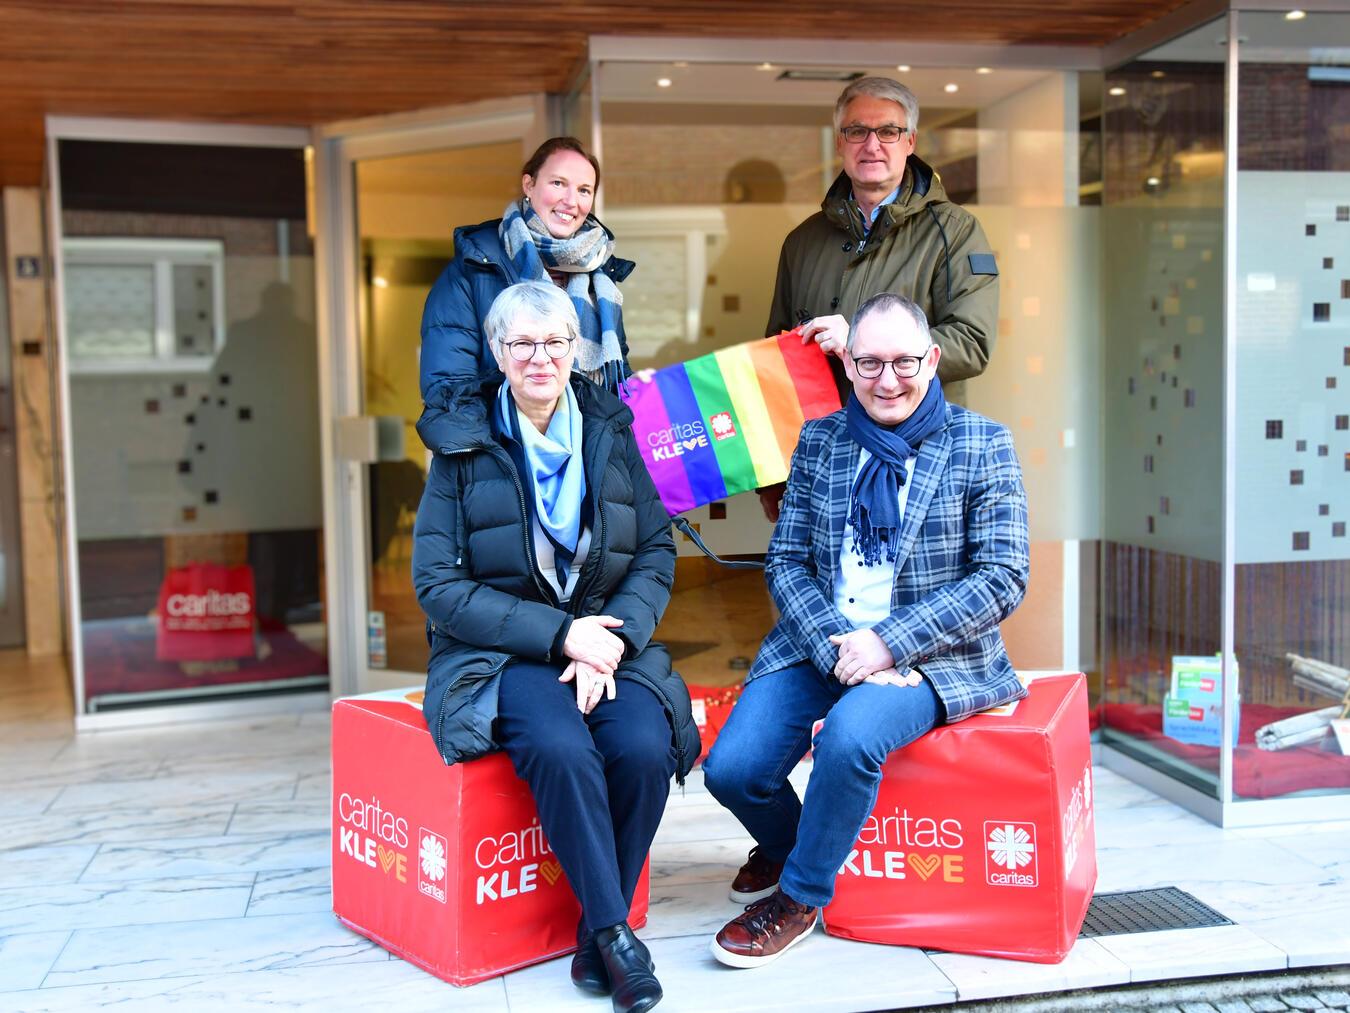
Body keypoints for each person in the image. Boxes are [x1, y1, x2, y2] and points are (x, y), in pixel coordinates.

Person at [702, 292, 1029, 968]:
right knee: (732, 770)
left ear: (932, 359)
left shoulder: (982, 443)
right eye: (870, 363)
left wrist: (890, 643)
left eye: (905, 361)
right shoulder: (821, 441)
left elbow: (1002, 577)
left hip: (932, 653)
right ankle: (798, 842)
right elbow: (788, 561)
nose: (888, 380)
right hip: (824, 640)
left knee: (850, 738)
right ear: (847, 364)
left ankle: (798, 895)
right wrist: (835, 645)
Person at [413, 282, 698, 1013]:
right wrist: (557, 634)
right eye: (522, 343)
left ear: (577, 349)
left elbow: (657, 549)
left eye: (555, 342)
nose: (540, 357)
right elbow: (438, 585)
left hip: (604, 639)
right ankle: (615, 932)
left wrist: (612, 638)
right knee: (564, 746)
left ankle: (589, 936)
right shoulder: (462, 442)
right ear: (498, 353)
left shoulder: (610, 425)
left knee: (640, 742)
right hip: (497, 654)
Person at [758, 76, 1000, 522]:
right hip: (823, 462)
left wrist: (859, 345)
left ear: (910, 141)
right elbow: (774, 364)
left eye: (888, 131)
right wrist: (772, 472)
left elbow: (972, 342)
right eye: (857, 131)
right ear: (840, 143)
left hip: (919, 458)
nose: (873, 144)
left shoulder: (956, 232)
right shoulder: (801, 242)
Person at [419, 136, 634, 418]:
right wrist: (505, 456)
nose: (571, 201)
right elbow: (447, 390)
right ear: (529, 185)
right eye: (558, 183)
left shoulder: (601, 275)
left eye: (584, 190)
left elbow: (617, 385)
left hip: (587, 455)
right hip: (505, 453)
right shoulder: (475, 268)